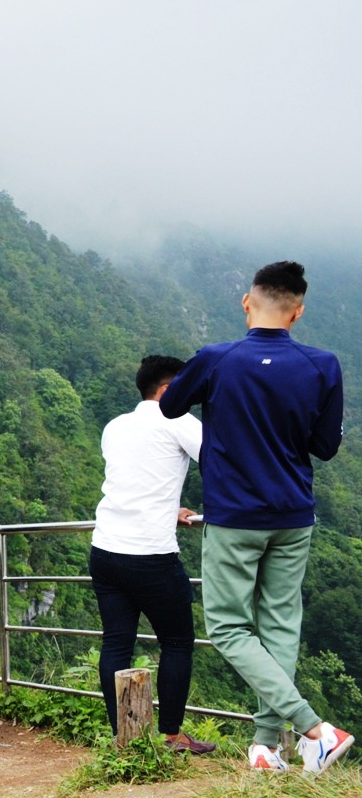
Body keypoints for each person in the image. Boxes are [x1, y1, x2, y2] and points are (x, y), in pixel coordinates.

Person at [160, 260, 350, 773]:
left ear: (248, 302)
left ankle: (317, 729)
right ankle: (267, 746)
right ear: (298, 312)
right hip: (293, 514)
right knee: (280, 625)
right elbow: (325, 447)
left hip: (235, 516)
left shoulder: (216, 359)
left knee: (227, 627)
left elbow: (171, 406)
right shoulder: (322, 365)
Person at [91, 356, 213, 754]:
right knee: (177, 642)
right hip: (150, 555)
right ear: (167, 390)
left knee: (116, 645)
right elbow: (221, 462)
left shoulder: (115, 426)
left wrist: (168, 508)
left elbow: (137, 478)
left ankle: (124, 738)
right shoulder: (178, 420)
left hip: (106, 549)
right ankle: (171, 735)